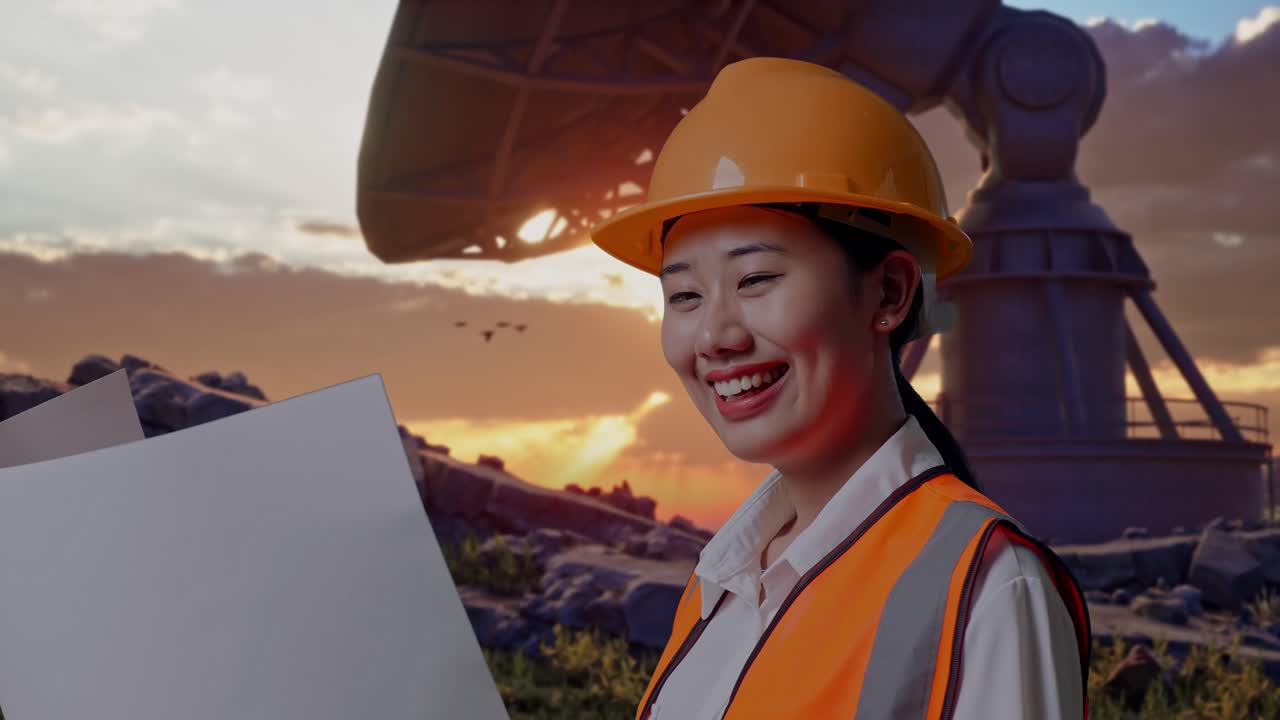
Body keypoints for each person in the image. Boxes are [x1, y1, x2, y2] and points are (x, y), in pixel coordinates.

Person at [589, 57, 1091, 719]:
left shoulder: (989, 588)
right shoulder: (724, 584)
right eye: (683, 295)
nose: (714, 335)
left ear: (888, 293)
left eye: (756, 279)